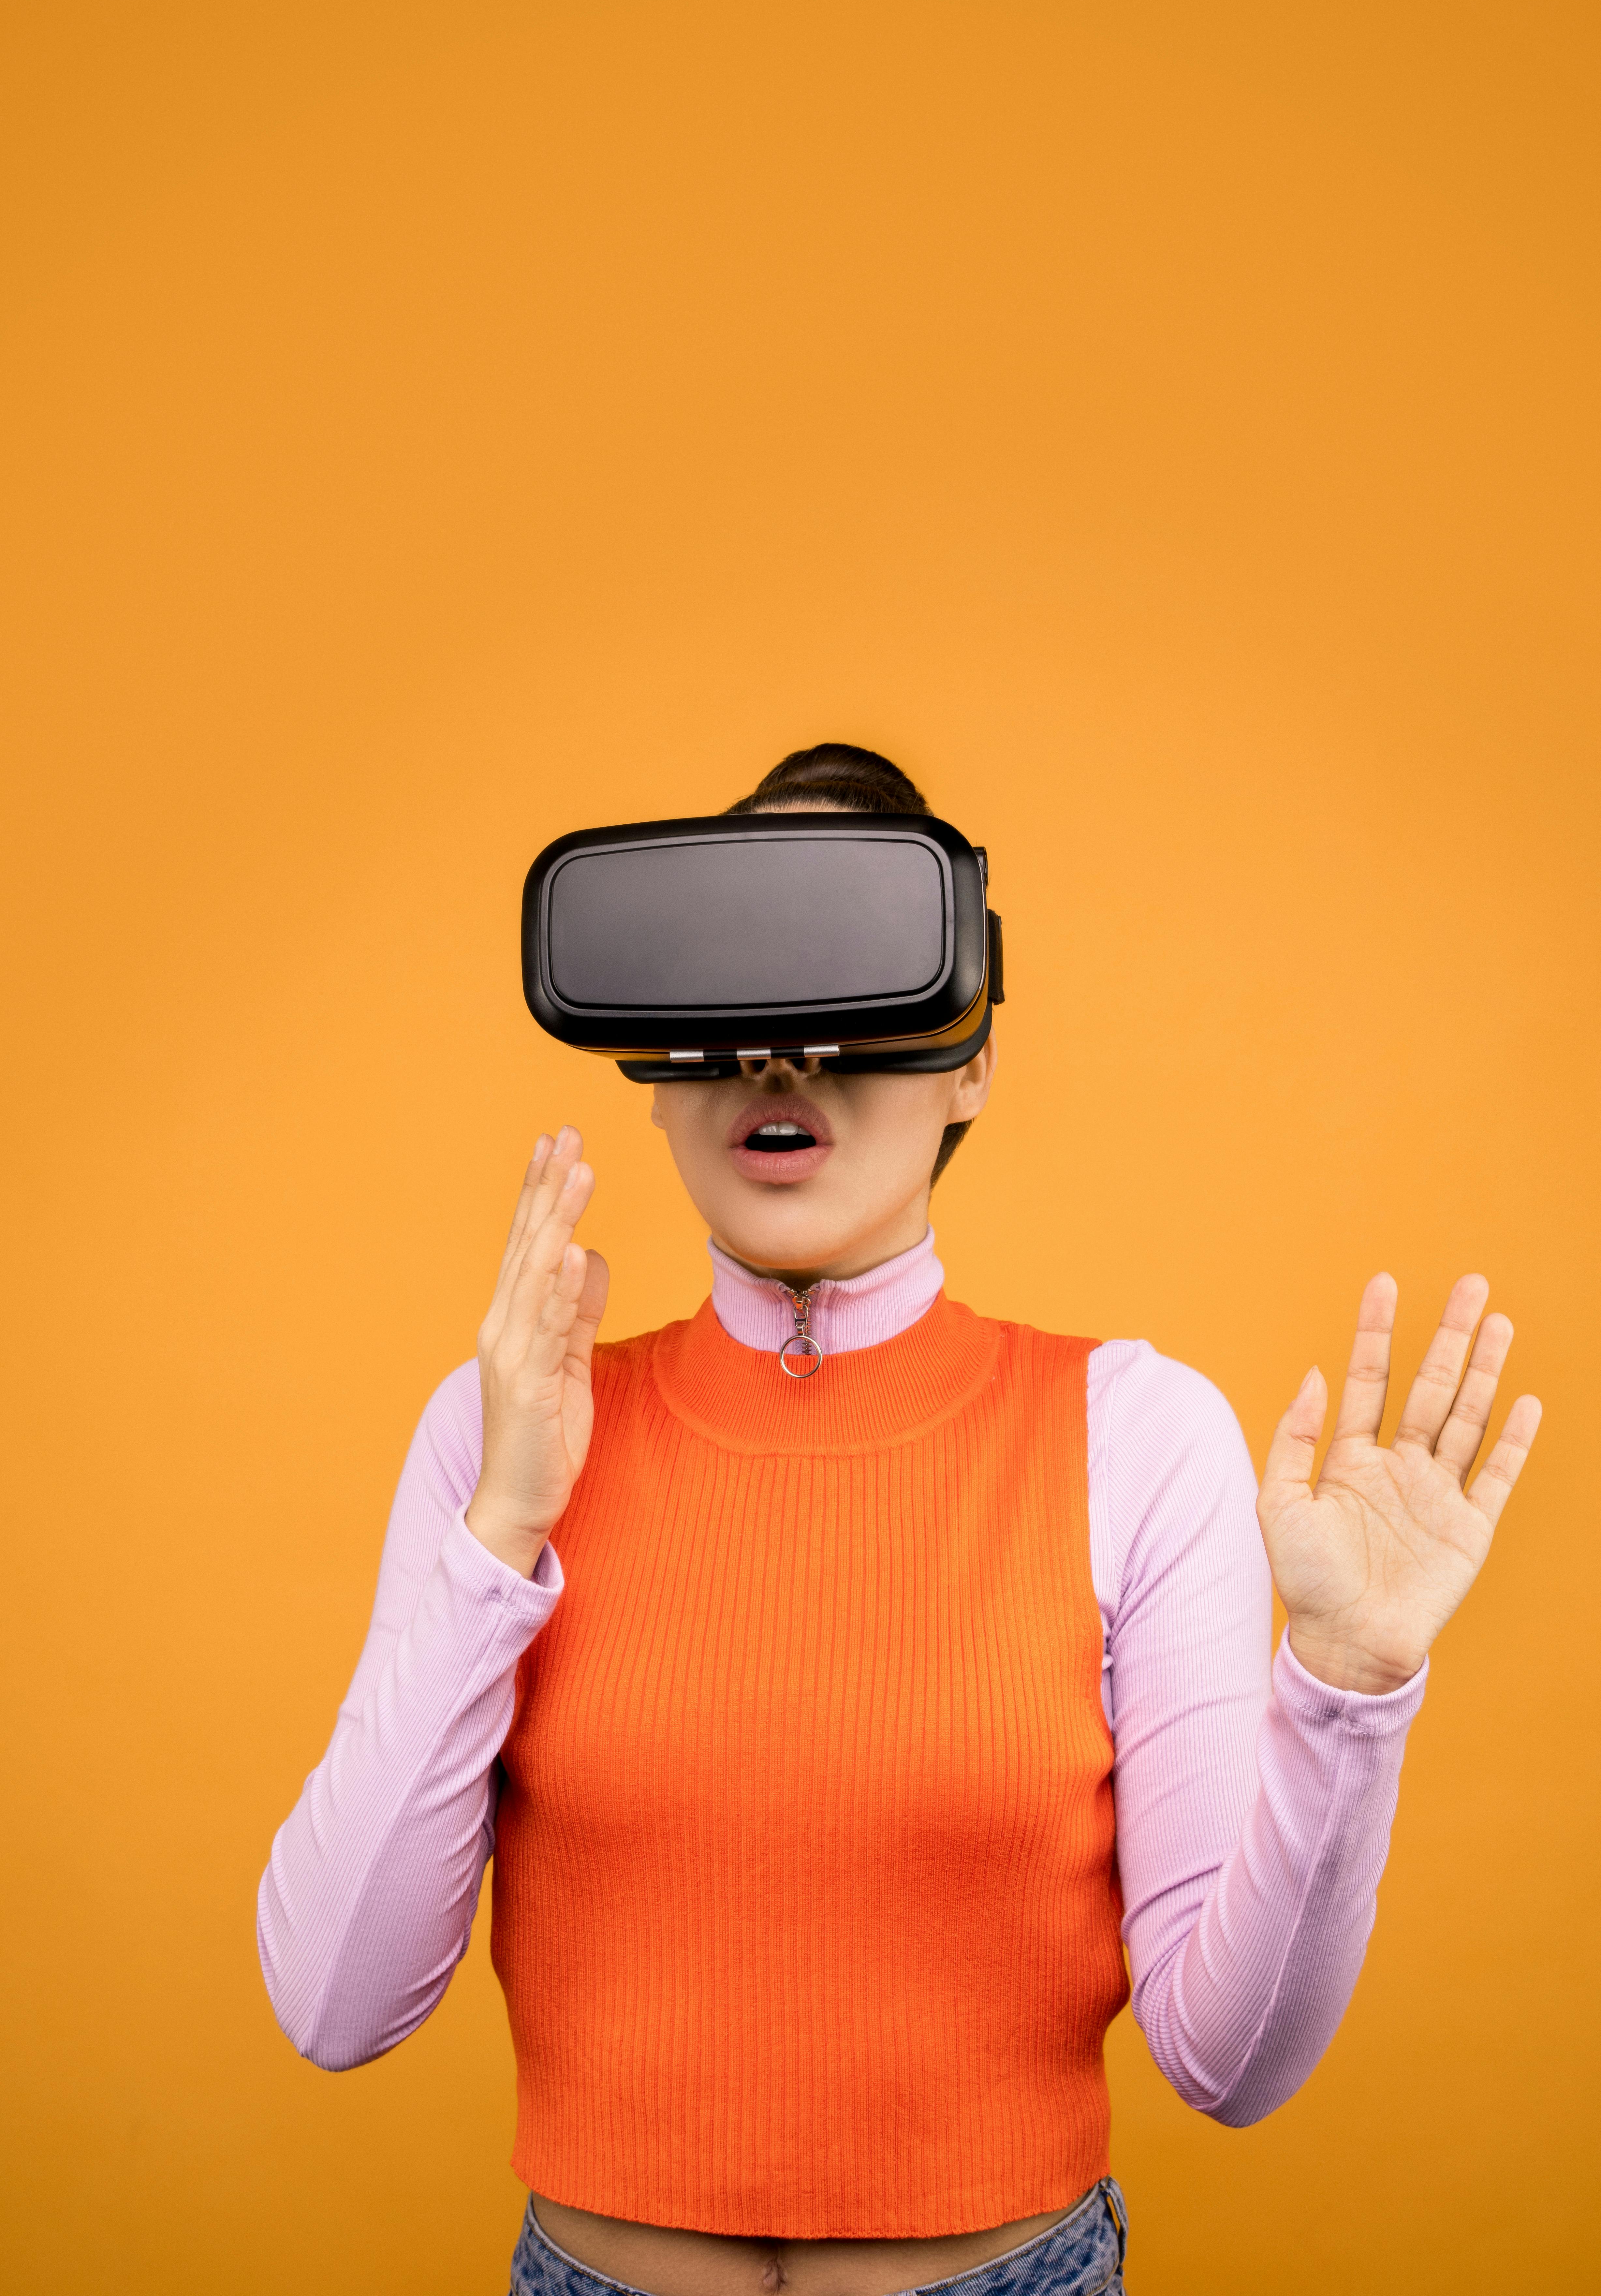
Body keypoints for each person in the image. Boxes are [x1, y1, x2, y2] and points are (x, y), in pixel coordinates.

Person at [258, 744, 1542, 2296]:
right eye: (733, 987)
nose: (783, 1053)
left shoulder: (1133, 1431)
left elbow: (1227, 2063)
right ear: (657, 1061)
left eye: (855, 977)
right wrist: (503, 1528)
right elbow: (334, 2005)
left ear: (973, 1060)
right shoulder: (502, 1430)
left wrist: (1345, 1684)